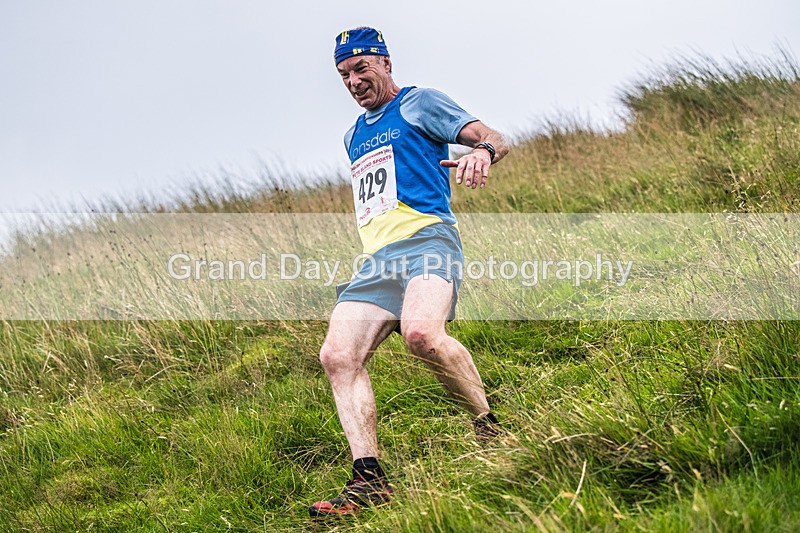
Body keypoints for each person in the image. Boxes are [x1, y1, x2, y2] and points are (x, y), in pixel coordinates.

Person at [309, 27, 510, 518]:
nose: (354, 81)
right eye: (344, 75)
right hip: (378, 262)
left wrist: (481, 152)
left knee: (422, 336)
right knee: (337, 356)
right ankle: (369, 481)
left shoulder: (420, 103)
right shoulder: (352, 136)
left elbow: (495, 137)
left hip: (429, 242)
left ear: (385, 62)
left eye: (361, 68)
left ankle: (490, 429)